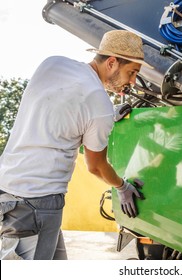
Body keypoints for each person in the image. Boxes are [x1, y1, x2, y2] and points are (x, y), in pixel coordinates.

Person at [0, 30, 151, 260]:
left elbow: (60, 112)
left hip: (8, 190)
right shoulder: (98, 103)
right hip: (37, 204)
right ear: (111, 63)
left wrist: (108, 115)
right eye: (131, 73)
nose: (131, 82)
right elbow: (96, 166)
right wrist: (122, 187)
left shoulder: (51, 64)